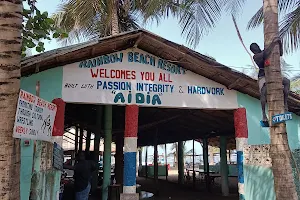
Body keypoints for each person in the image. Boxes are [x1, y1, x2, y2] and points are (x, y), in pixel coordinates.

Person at [250, 37, 290, 122]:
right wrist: (274, 43)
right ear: (252, 51)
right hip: (262, 77)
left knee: (286, 81)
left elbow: (280, 53)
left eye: (255, 46)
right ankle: (264, 115)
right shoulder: (256, 56)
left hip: (274, 75)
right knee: (263, 92)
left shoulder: (267, 50)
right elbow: (266, 54)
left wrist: (279, 44)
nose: (255, 48)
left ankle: (285, 103)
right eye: (253, 48)